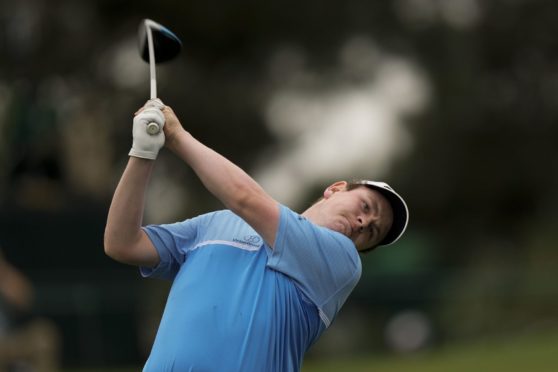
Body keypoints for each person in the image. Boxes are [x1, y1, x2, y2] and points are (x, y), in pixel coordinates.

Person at [104, 99, 409, 371]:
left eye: (372, 231)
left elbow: (244, 198)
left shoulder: (340, 260)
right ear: (336, 189)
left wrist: (177, 136)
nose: (362, 222)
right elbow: (123, 243)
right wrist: (142, 151)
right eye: (365, 206)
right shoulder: (216, 224)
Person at [0, 248, 60, 372]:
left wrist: (3, 271)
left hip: (9, 339)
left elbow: (26, 298)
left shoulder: (4, 277)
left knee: (44, 334)